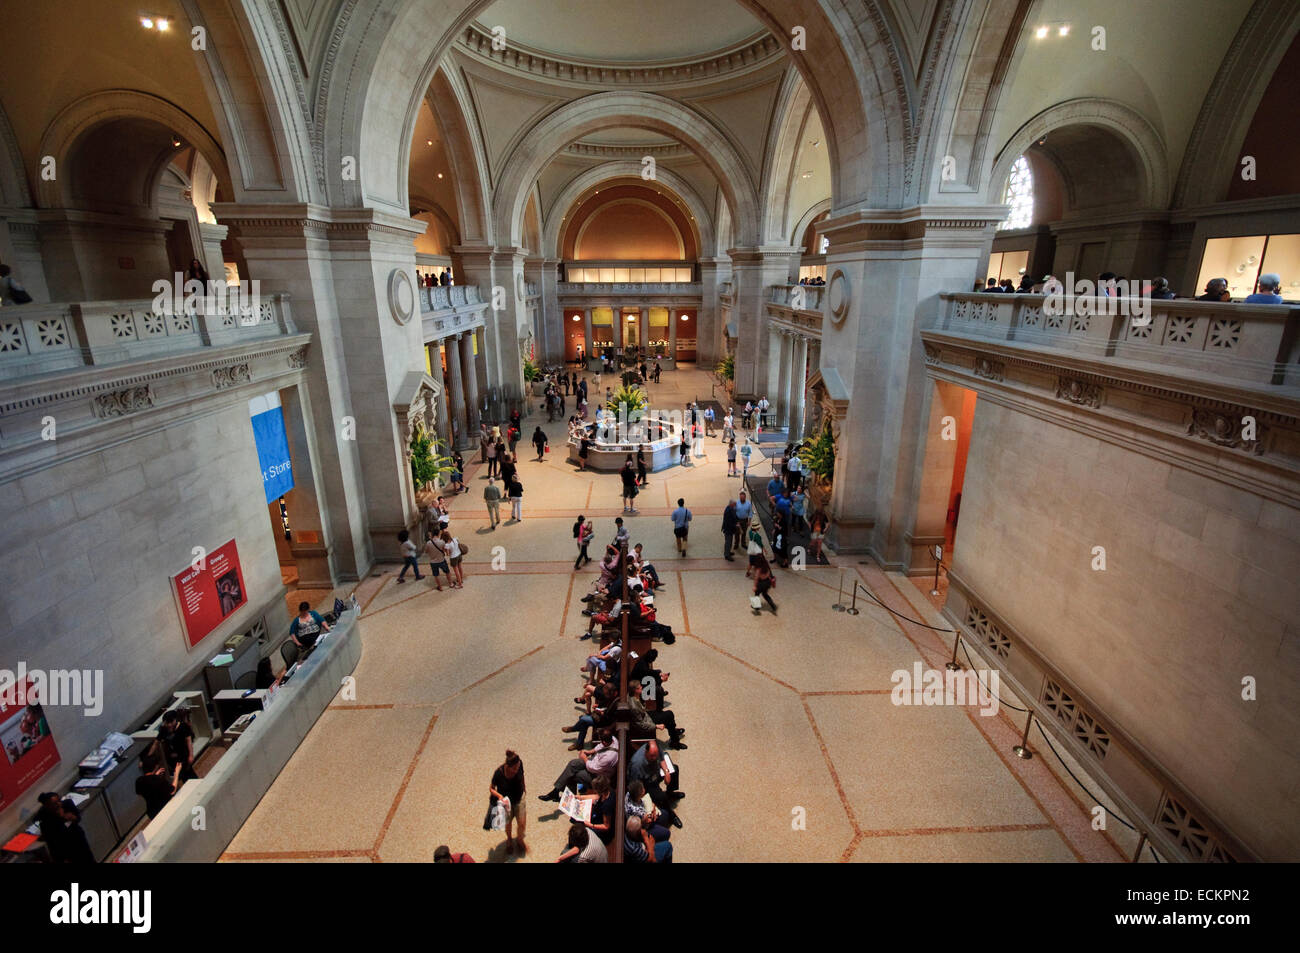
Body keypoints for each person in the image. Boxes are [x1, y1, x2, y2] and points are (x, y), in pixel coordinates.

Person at [538, 729, 619, 800]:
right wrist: (589, 752)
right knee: (573, 764)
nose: (600, 742)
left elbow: (593, 768)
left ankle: (571, 799)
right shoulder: (612, 739)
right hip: (595, 762)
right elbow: (600, 746)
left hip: (600, 776)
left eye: (601, 740)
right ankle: (555, 791)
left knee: (574, 775)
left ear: (604, 741)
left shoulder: (609, 757)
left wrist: (584, 757)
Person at [489, 750, 527, 855]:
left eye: (518, 766)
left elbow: (522, 775)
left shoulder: (519, 764)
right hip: (506, 804)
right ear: (507, 766)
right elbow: (491, 788)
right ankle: (509, 840)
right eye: (514, 768)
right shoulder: (499, 773)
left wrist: (524, 787)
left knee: (522, 823)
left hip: (519, 799)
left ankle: (519, 839)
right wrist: (499, 796)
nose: (516, 770)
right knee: (508, 824)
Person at [156, 709, 198, 786]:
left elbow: (189, 741)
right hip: (172, 757)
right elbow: (158, 742)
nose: (169, 725)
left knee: (187, 771)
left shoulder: (183, 727)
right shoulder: (164, 730)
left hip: (183, 755)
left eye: (170, 722)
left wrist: (191, 755)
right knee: (182, 773)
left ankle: (194, 784)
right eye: (167, 722)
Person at [135, 754, 175, 820]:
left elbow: (140, 793)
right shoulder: (158, 779)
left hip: (152, 813)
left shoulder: (139, 781)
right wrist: (177, 774)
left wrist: (154, 776)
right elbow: (172, 790)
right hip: (165, 809)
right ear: (155, 767)